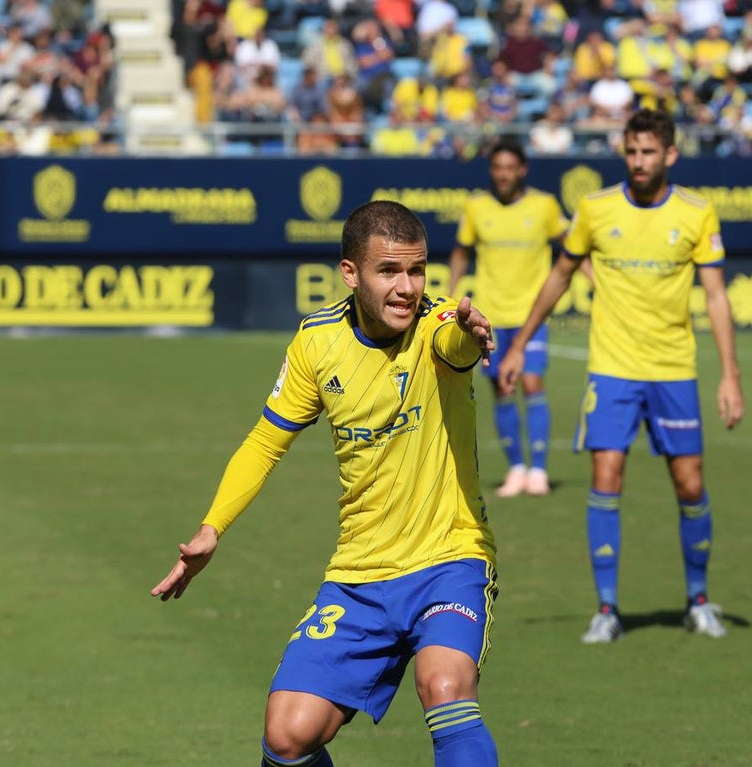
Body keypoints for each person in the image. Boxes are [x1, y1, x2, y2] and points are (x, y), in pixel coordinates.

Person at [152, 201, 500, 767]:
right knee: (288, 736)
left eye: (417, 270)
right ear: (350, 273)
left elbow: (457, 346)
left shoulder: (439, 328)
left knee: (445, 687)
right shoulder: (317, 342)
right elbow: (266, 442)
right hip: (359, 575)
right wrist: (213, 528)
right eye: (389, 271)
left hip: (449, 560)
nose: (407, 287)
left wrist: (472, 332)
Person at [499, 109, 744, 644]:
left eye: (648, 152)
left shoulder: (698, 214)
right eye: (631, 151)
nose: (638, 161)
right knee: (606, 477)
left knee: (690, 483)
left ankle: (698, 599)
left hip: (674, 370)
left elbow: (717, 296)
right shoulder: (595, 209)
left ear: (670, 155)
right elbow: (559, 276)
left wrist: (729, 374)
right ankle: (607, 609)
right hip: (611, 370)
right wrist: (518, 345)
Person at [448, 138, 569, 498]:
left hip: (531, 315)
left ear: (522, 170)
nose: (503, 174)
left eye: (509, 168)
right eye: (497, 168)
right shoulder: (476, 208)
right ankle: (516, 468)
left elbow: (572, 248)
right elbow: (460, 253)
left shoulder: (544, 205)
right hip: (491, 317)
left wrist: (600, 283)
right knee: (502, 389)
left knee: (532, 384)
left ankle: (540, 471)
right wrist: (451, 295)